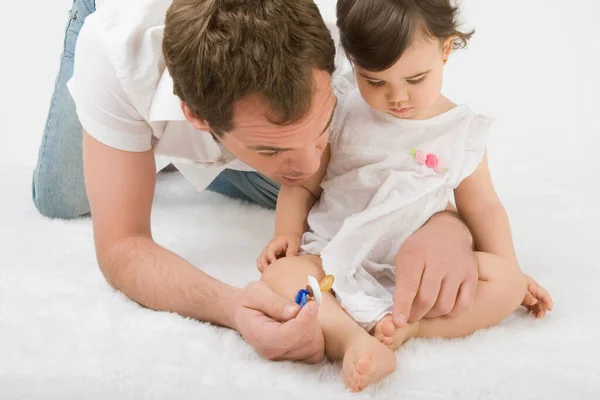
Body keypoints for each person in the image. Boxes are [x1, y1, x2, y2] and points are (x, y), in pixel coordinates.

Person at [32, 0, 482, 364]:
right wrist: (232, 308)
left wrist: (446, 224)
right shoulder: (115, 48)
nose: (309, 167)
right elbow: (122, 245)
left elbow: (419, 156)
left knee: (320, 196)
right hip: (129, 58)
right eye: (272, 149)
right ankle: (143, 140)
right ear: (195, 116)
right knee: (61, 199)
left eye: (323, 125)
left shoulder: (341, 52)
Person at [257, 0, 553, 391]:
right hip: (332, 256)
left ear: (446, 51)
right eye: (375, 81)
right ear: (352, 60)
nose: (397, 98)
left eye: (416, 79)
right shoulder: (343, 110)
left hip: (417, 279)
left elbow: (483, 207)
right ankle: (352, 338)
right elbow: (303, 183)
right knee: (282, 274)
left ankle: (412, 326)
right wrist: (288, 233)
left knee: (507, 282)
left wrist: (509, 265)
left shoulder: (460, 132)